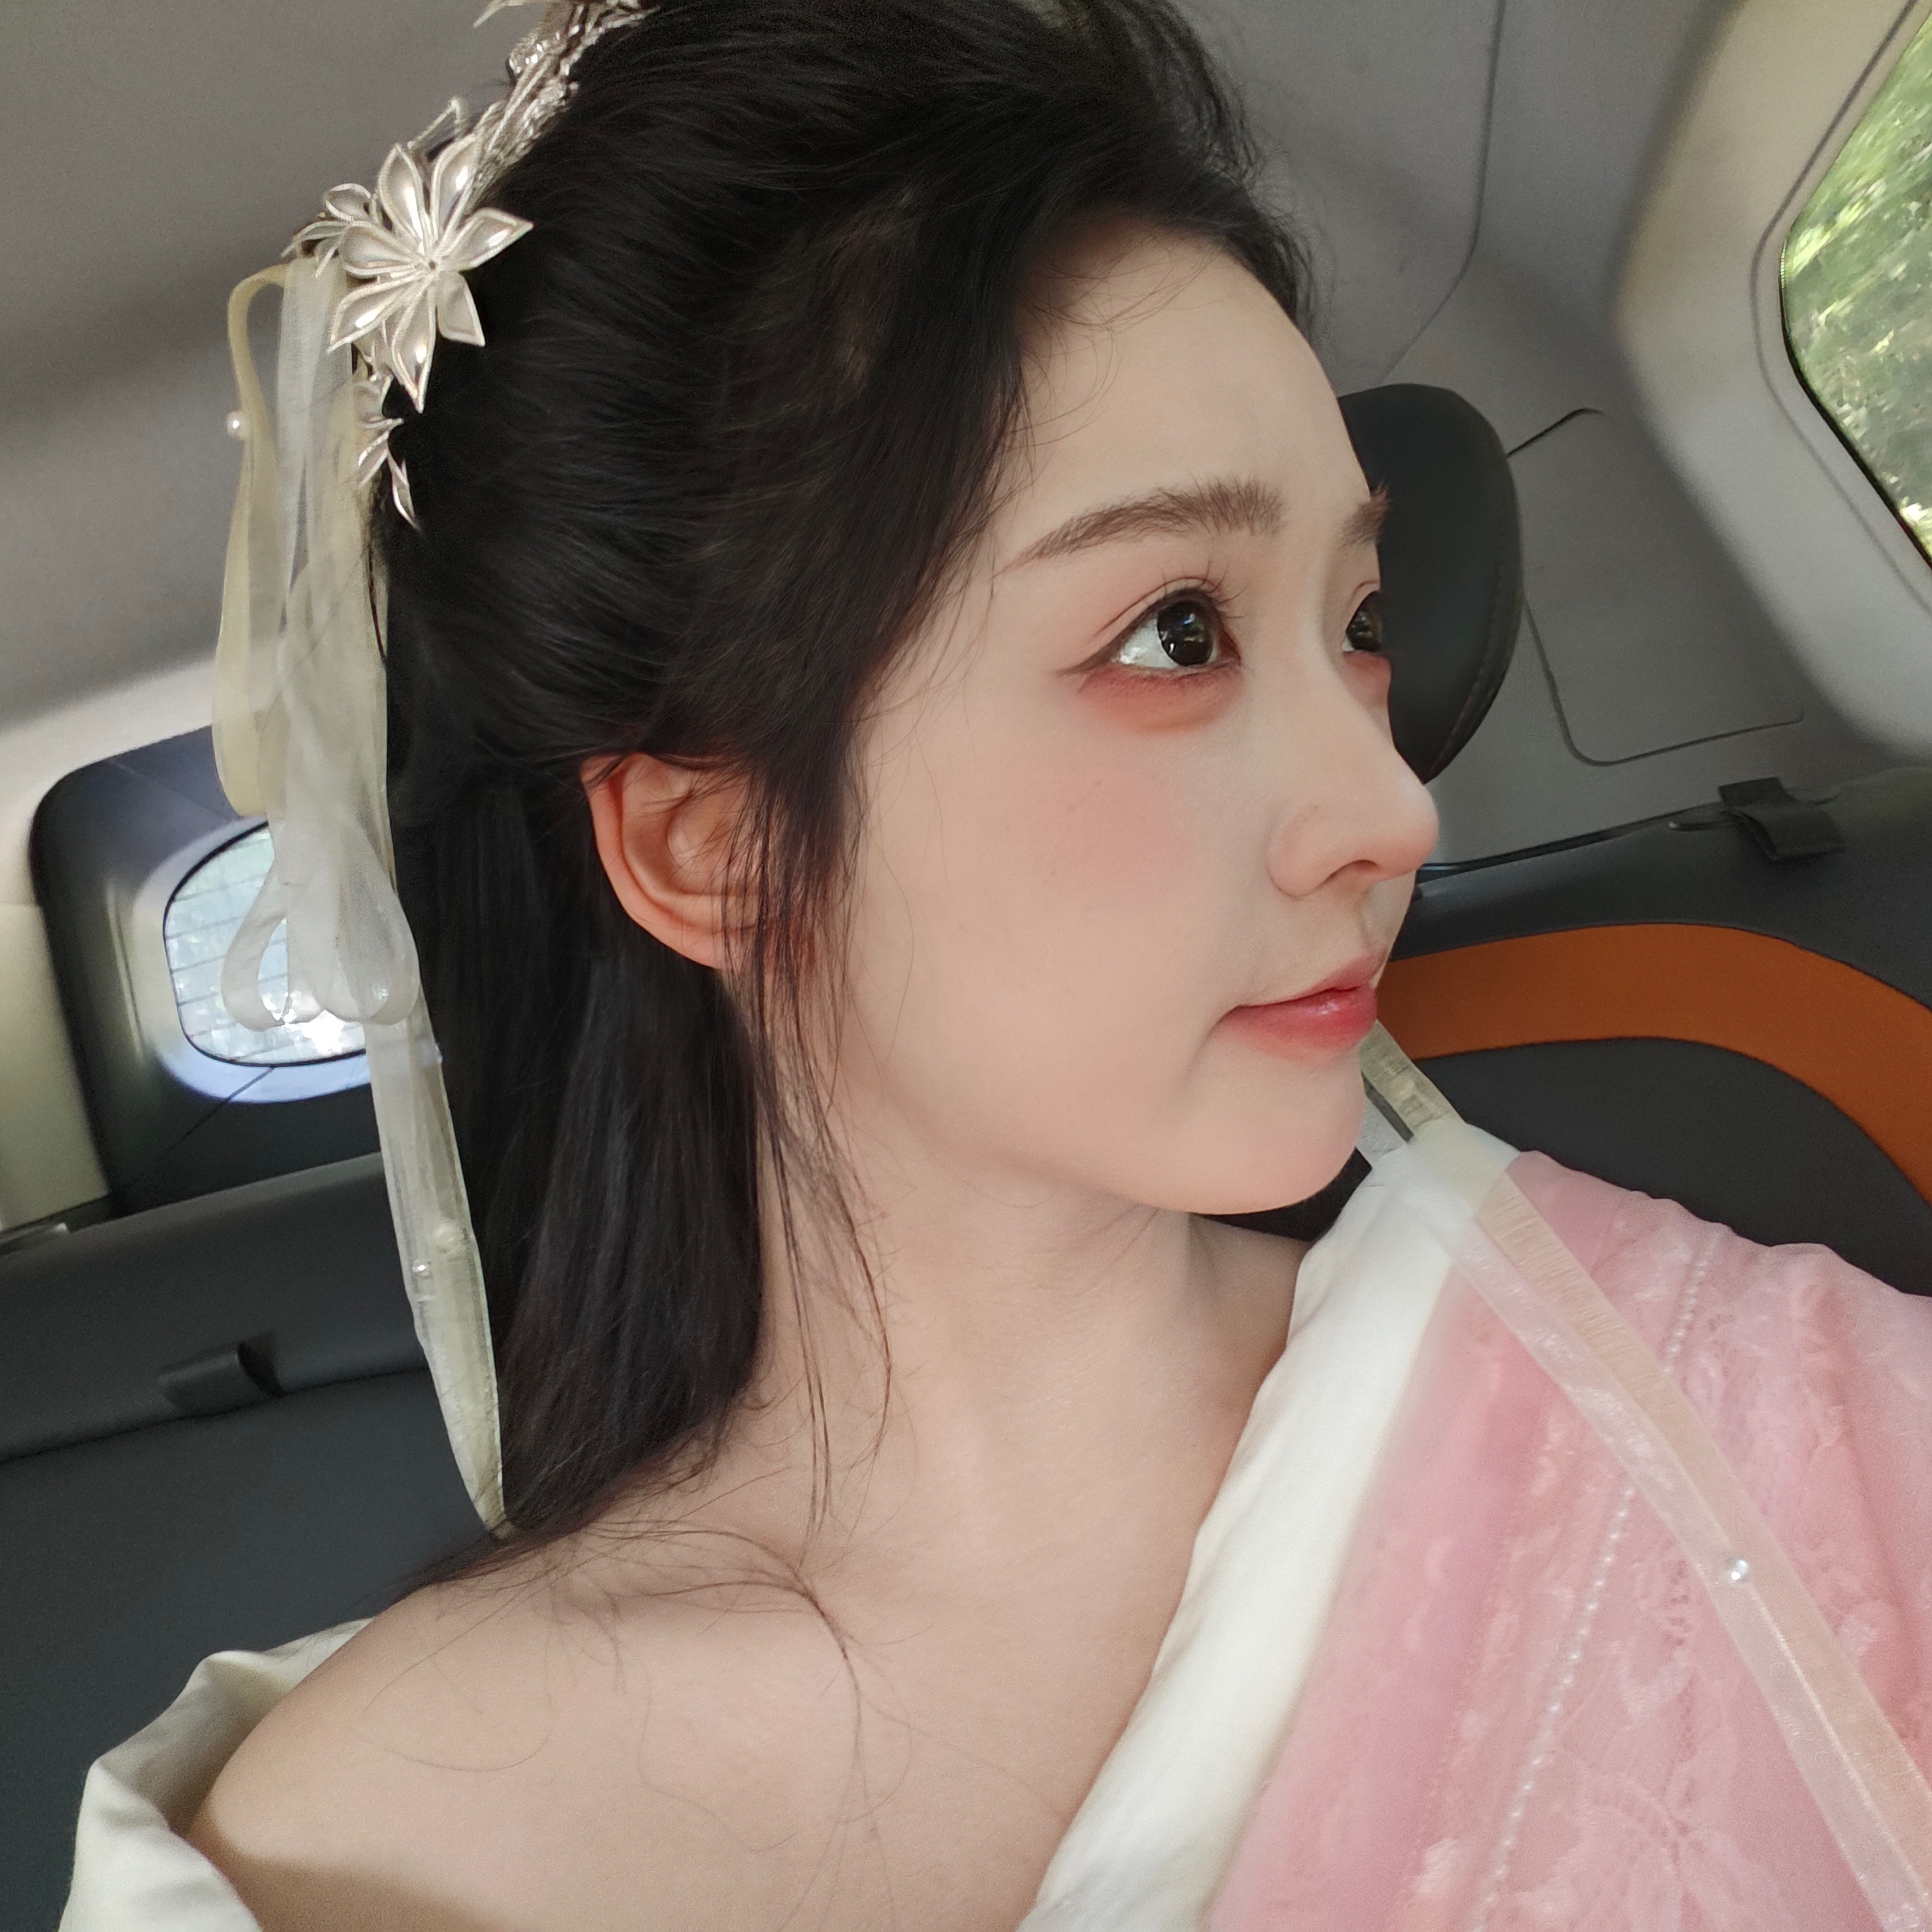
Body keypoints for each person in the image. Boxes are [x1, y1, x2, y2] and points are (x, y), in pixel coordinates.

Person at [60, 2, 1932, 1927]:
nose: (1392, 808)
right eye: (1178, 633)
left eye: (1359, 622)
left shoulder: (1734, 1408)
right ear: (710, 851)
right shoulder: (347, 1856)